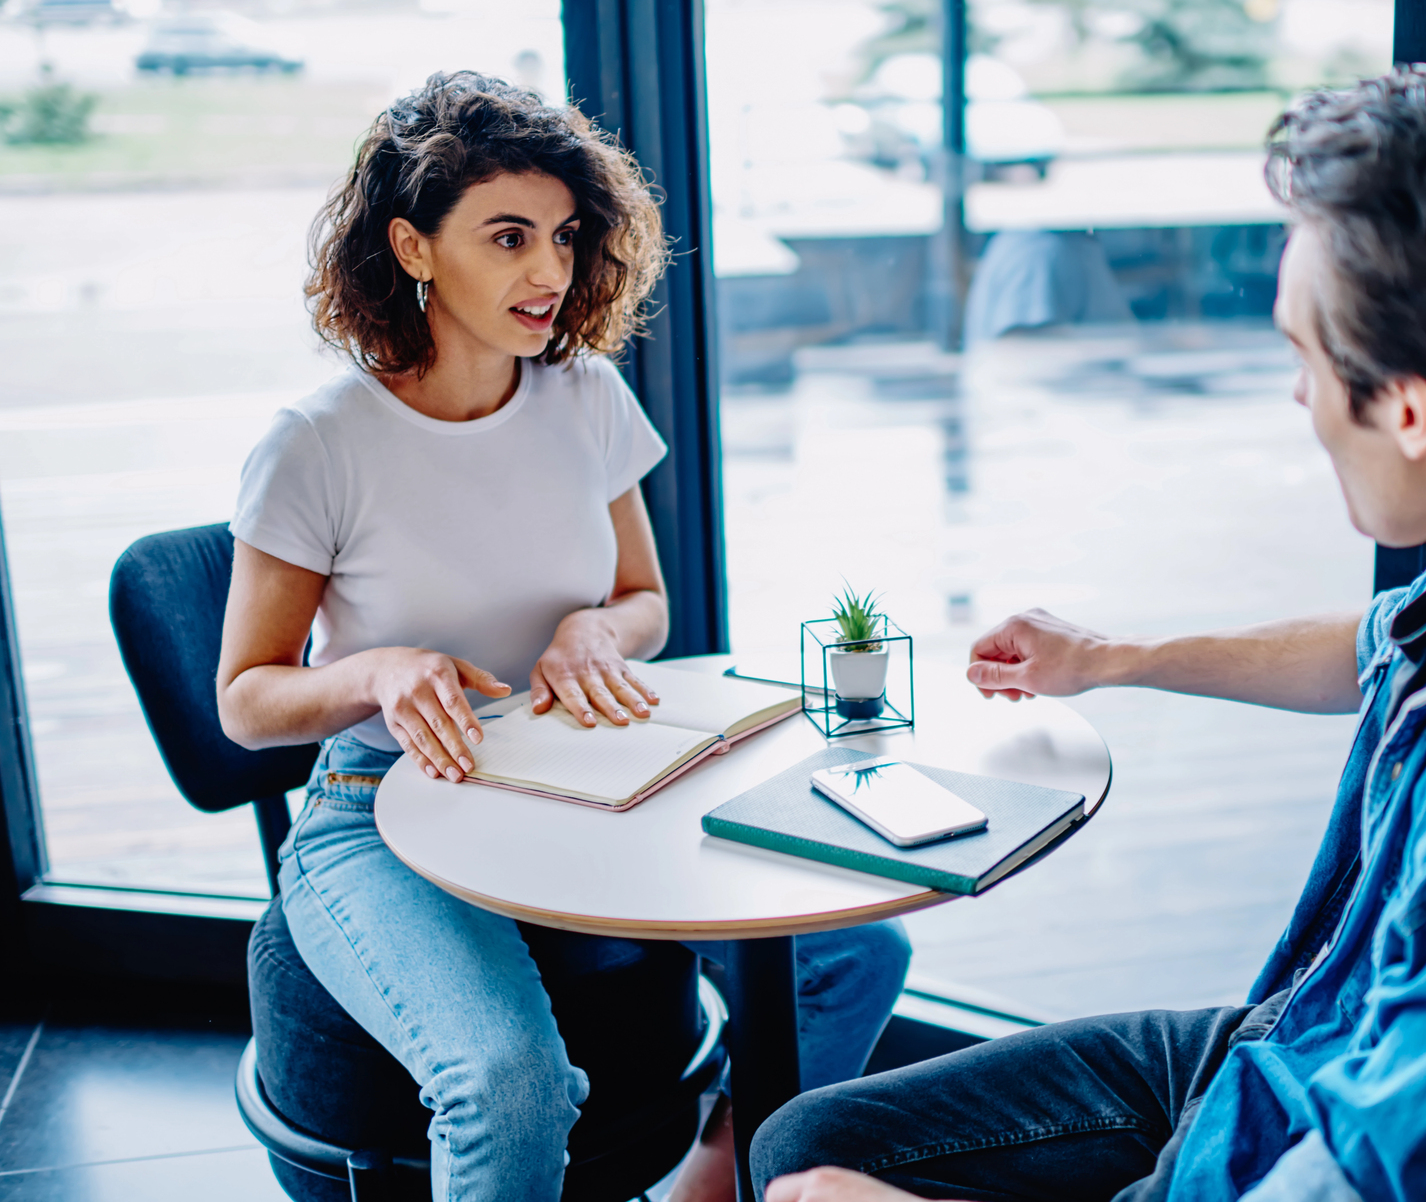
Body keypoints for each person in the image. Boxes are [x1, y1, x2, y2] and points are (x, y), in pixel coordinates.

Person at [750, 68, 1426, 1201]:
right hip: (1299, 1047)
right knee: (801, 1146)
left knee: (814, 1174)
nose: (1298, 398)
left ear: (1412, 412)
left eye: (1304, 358)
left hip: (1299, 1136)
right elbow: (1386, 647)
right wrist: (1118, 658)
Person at [215, 71, 909, 1202]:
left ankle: (707, 1184)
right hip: (381, 809)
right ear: (413, 246)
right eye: (507, 237)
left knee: (855, 957)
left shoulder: (583, 392)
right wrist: (377, 672)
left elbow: (645, 600)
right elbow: (245, 700)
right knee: (506, 1083)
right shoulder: (317, 444)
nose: (550, 272)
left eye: (565, 236)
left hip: (578, 775)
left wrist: (598, 630)